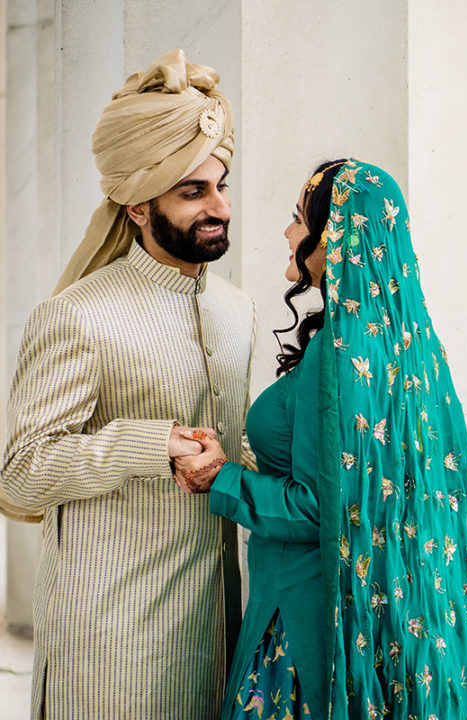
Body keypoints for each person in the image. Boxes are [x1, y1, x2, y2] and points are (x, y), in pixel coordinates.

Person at [174, 159, 467, 719]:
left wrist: (220, 478)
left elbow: (322, 507)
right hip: (369, 618)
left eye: (300, 220)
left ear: (334, 239)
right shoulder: (410, 347)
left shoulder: (337, 352)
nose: (290, 232)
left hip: (305, 625)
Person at [0, 49, 255, 719]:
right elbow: (20, 473)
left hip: (217, 636)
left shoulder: (239, 311)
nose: (219, 207)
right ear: (138, 207)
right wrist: (149, 445)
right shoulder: (78, 315)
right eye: (193, 191)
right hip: (111, 652)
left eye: (222, 184)